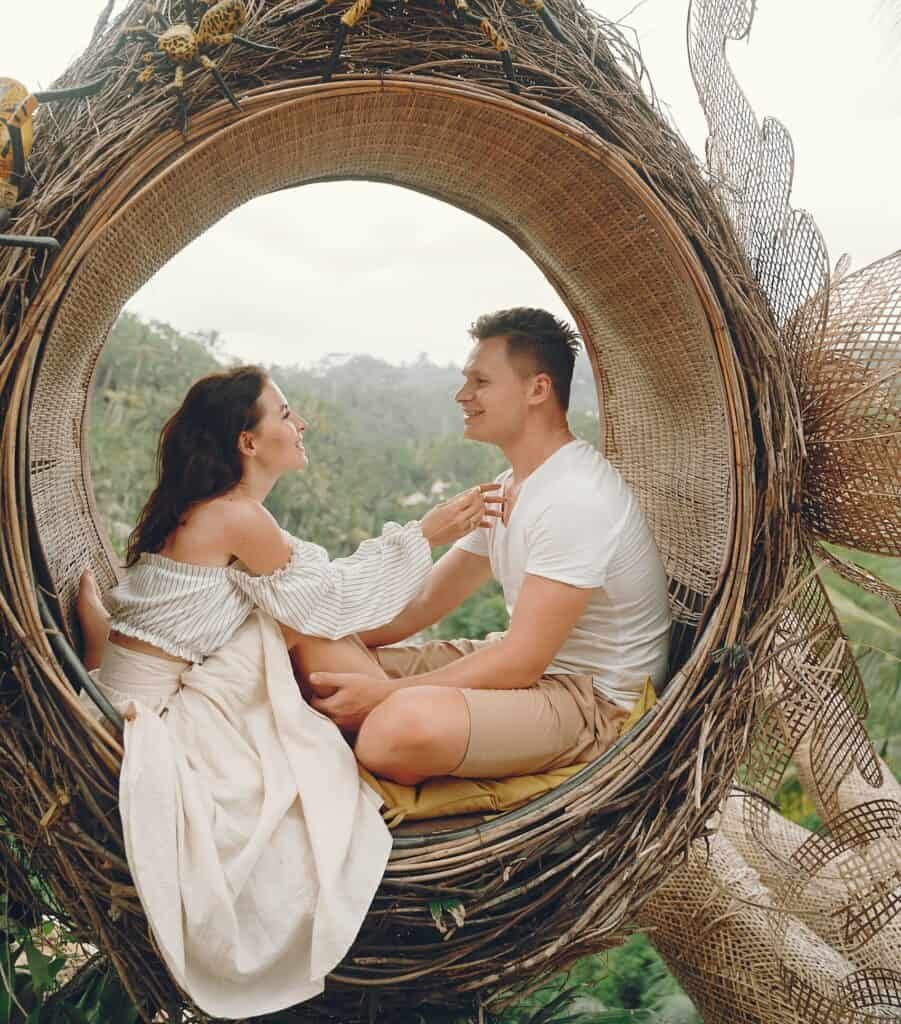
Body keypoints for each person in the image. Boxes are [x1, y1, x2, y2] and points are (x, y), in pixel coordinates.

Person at [75, 364, 502, 1019]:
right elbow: (331, 600)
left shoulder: (218, 512)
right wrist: (427, 533)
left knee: (275, 621)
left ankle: (399, 712)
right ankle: (405, 727)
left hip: (137, 682)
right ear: (248, 442)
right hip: (151, 715)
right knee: (289, 625)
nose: (300, 424)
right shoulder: (236, 517)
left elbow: (319, 590)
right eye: (285, 413)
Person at [302, 308, 672, 786]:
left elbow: (522, 660)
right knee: (314, 650)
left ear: (538, 389)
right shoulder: (507, 488)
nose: (463, 395)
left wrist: (381, 696)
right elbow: (422, 605)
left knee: (396, 727)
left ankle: (376, 723)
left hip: (590, 702)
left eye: (480, 381)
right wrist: (334, 634)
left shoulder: (576, 497)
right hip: (519, 675)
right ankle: (367, 712)